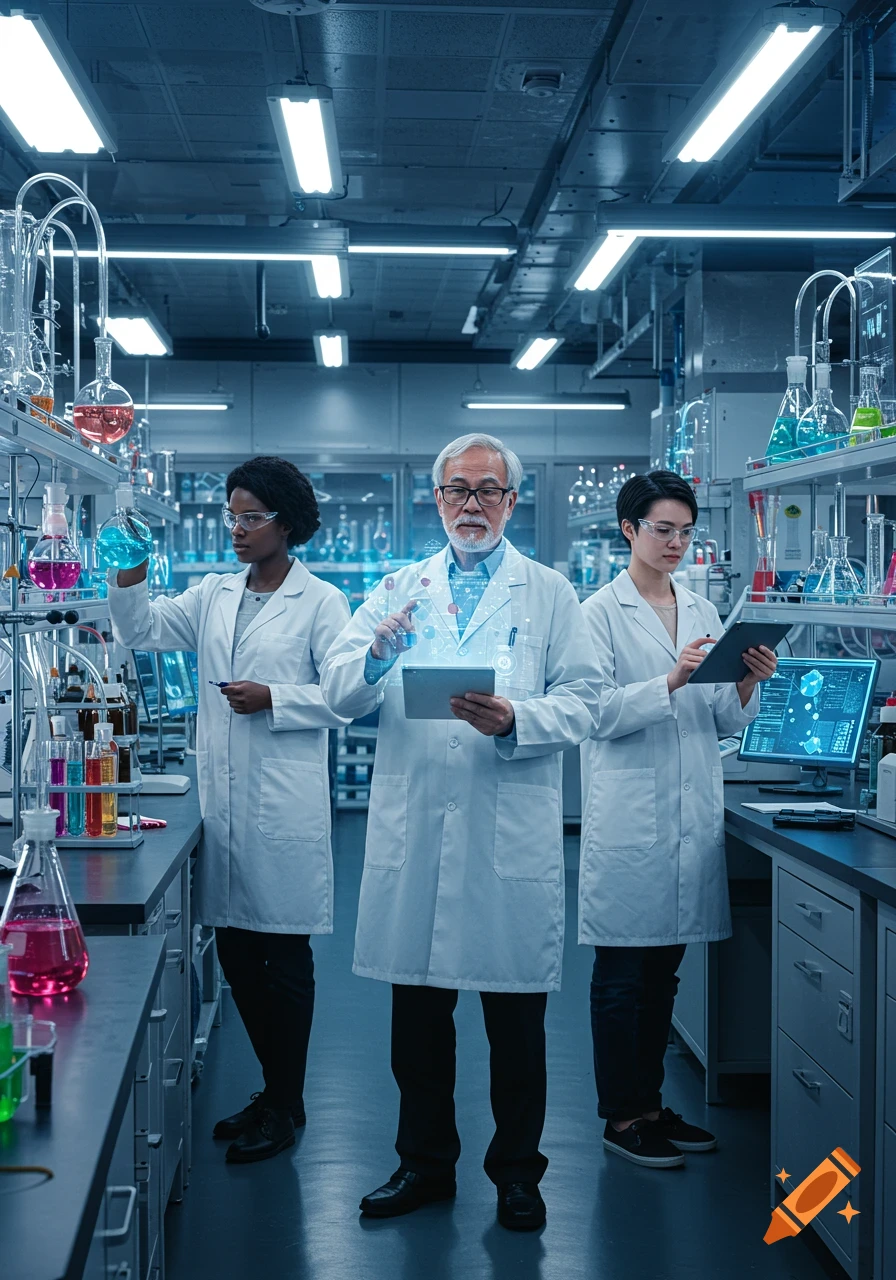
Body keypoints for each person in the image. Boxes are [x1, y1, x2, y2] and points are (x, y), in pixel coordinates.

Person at [320, 432, 600, 1231]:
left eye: (486, 490)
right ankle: (423, 1164)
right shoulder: (396, 588)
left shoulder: (549, 593)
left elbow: (585, 699)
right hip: (418, 831)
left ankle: (517, 1174)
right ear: (436, 498)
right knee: (417, 1025)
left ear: (512, 501)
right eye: (456, 490)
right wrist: (376, 656)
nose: (470, 504)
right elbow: (338, 692)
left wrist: (517, 718)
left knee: (516, 1026)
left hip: (507, 831)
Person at [108, 456, 350, 1164]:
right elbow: (141, 629)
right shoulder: (213, 594)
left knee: (286, 959)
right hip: (225, 805)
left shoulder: (322, 602)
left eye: (252, 518)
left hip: (284, 806)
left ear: (287, 523)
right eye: (231, 516)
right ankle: (276, 1095)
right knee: (240, 956)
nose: (237, 529)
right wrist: (128, 563)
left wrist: (277, 698)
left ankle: (287, 1101)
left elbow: (346, 697)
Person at [578, 470, 777, 1168]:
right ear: (629, 530)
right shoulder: (597, 613)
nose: (676, 543)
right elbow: (594, 713)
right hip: (628, 814)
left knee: (663, 975)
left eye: (686, 533)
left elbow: (721, 716)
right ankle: (621, 1116)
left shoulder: (699, 608)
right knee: (620, 979)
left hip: (687, 812)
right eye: (663, 530)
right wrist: (670, 680)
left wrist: (746, 678)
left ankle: (652, 1106)